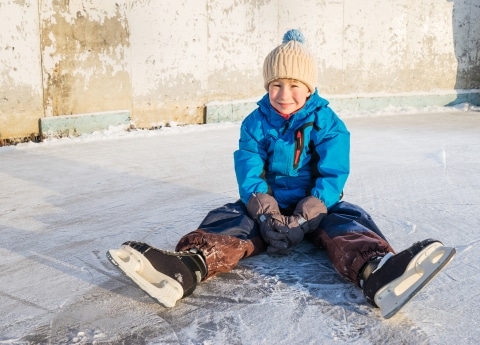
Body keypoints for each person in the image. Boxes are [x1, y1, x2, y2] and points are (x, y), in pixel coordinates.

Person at [107, 29, 455, 318]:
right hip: (266, 206)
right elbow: (248, 167)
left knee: (350, 219)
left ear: (309, 87)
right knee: (229, 217)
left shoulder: (328, 123)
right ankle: (188, 266)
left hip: (316, 205)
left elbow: (333, 173)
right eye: (275, 85)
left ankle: (375, 271)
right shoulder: (255, 122)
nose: (284, 95)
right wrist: (264, 210)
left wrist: (310, 212)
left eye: (294, 85)